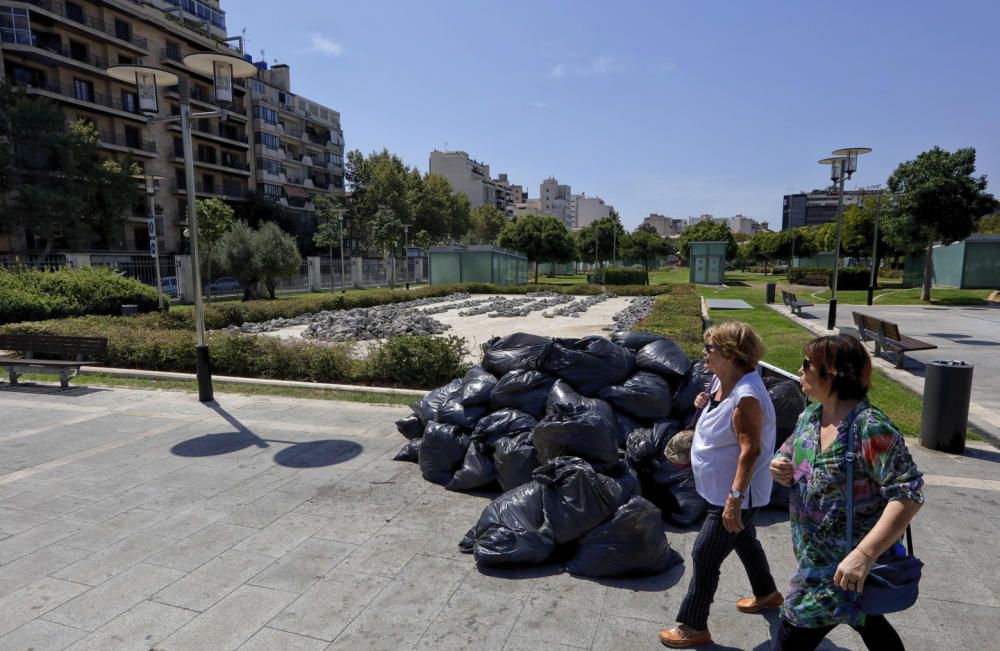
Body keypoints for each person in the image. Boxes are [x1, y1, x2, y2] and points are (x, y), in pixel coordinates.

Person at [769, 334, 924, 651]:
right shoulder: (812, 416)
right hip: (819, 560)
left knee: (789, 635)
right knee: (865, 618)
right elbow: (794, 460)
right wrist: (781, 467)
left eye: (807, 364)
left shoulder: (870, 427)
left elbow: (908, 494)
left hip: (842, 565)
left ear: (833, 372)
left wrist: (863, 556)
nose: (800, 370)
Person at [659, 322, 782, 648]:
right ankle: (767, 593)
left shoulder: (747, 396)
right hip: (723, 490)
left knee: (705, 554)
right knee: (744, 540)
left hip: (737, 493)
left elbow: (751, 450)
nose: (704, 353)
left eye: (709, 347)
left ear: (731, 353)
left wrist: (734, 499)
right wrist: (703, 405)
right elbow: (718, 416)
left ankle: (692, 626)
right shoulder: (721, 380)